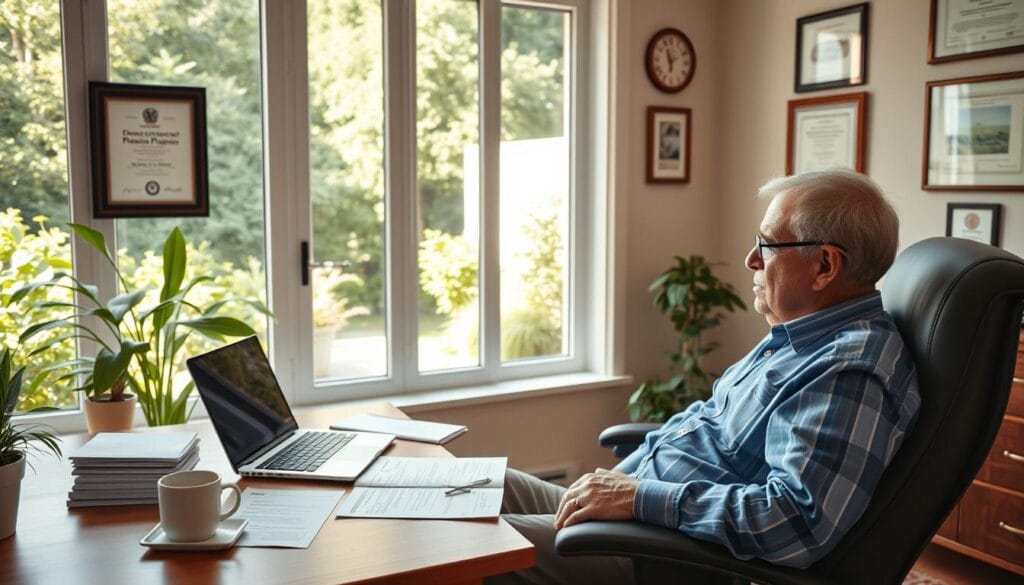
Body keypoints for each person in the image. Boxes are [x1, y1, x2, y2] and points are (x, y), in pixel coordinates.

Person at [487, 169, 922, 585]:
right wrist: (623, 488)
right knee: (475, 486)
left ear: (825, 265)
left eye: (767, 245)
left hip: (658, 556)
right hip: (633, 512)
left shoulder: (848, 371)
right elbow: (711, 426)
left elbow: (793, 523)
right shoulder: (801, 334)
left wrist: (637, 496)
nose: (751, 259)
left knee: (460, 546)